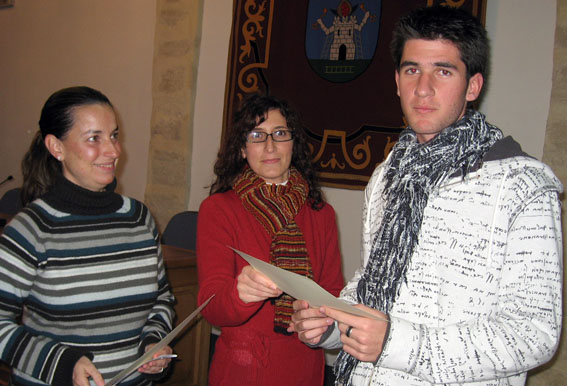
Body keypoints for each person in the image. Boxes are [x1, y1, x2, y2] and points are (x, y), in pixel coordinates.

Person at [291, 6, 563, 386]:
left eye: (444, 71)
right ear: (397, 81)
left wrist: (399, 344)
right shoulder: (387, 174)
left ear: (473, 87)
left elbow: (534, 334)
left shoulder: (520, 184)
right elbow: (371, 287)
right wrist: (333, 325)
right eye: (412, 69)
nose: (423, 88)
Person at [0, 86, 176, 386]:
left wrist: (154, 342)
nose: (113, 151)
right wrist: (61, 362)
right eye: (94, 138)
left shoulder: (138, 218)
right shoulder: (32, 229)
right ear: (56, 147)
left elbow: (162, 298)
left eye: (114, 135)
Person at [196, 94, 345, 385]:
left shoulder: (322, 214)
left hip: (305, 368)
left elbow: (333, 295)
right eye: (256, 135)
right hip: (243, 370)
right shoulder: (218, 209)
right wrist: (241, 293)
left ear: (294, 142)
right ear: (241, 148)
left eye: (280, 133)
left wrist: (322, 326)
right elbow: (211, 306)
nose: (270, 146)